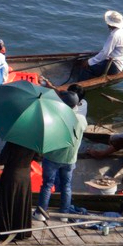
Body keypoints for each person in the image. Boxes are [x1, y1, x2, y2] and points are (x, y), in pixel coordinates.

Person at [39, 86, 86, 214]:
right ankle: (64, 213)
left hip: (52, 157)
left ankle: (41, 212)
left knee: (47, 185)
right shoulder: (82, 120)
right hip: (70, 159)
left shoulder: (55, 118)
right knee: (67, 186)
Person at [0, 139, 39, 239]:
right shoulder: (34, 141)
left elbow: (1, 160)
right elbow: (38, 157)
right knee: (22, 204)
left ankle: (4, 231)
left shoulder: (13, 141)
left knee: (6, 203)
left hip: (11, 175)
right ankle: (21, 232)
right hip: (25, 177)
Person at [72, 10, 123, 82]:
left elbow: (105, 53)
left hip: (114, 65)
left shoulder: (114, 35)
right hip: (120, 62)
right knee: (91, 61)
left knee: (86, 68)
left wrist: (89, 62)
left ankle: (79, 85)